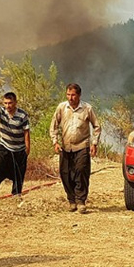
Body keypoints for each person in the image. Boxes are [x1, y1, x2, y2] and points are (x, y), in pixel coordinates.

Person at [49, 83, 101, 214]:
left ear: (79, 95)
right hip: (65, 146)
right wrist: (55, 142)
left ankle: (81, 201)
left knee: (81, 171)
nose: (70, 98)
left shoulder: (87, 108)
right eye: (68, 94)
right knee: (65, 173)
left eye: (73, 95)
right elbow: (53, 126)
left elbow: (97, 126)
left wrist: (94, 143)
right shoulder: (61, 107)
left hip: (82, 145)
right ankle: (71, 200)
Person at [0, 91, 31, 203]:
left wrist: (27, 148)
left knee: (19, 173)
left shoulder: (22, 115)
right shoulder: (2, 111)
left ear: (15, 103)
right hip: (4, 146)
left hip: (19, 149)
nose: (8, 106)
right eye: (5, 103)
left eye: (10, 103)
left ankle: (16, 194)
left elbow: (26, 132)